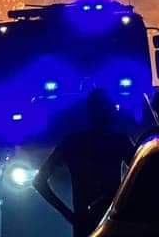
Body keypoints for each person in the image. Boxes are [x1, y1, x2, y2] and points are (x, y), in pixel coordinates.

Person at [34, 89, 133, 236]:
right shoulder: (118, 141)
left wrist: (69, 215)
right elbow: (142, 176)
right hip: (114, 221)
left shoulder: (72, 142)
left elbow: (39, 181)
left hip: (84, 224)